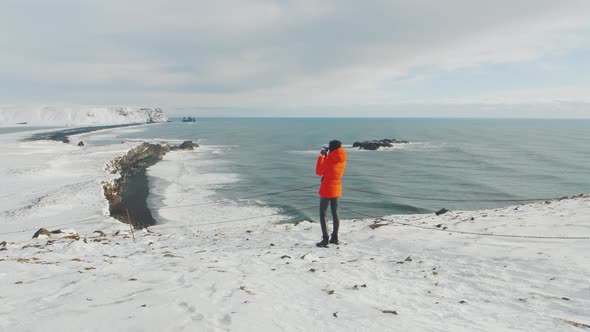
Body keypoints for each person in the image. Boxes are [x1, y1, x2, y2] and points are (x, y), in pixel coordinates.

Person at [315, 140, 347, 247]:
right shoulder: (342, 158)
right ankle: (335, 237)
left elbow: (319, 171)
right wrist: (327, 156)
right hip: (337, 188)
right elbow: (332, 169)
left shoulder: (329, 159)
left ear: (331, 148)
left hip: (327, 189)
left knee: (323, 213)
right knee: (335, 213)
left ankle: (325, 239)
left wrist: (321, 157)